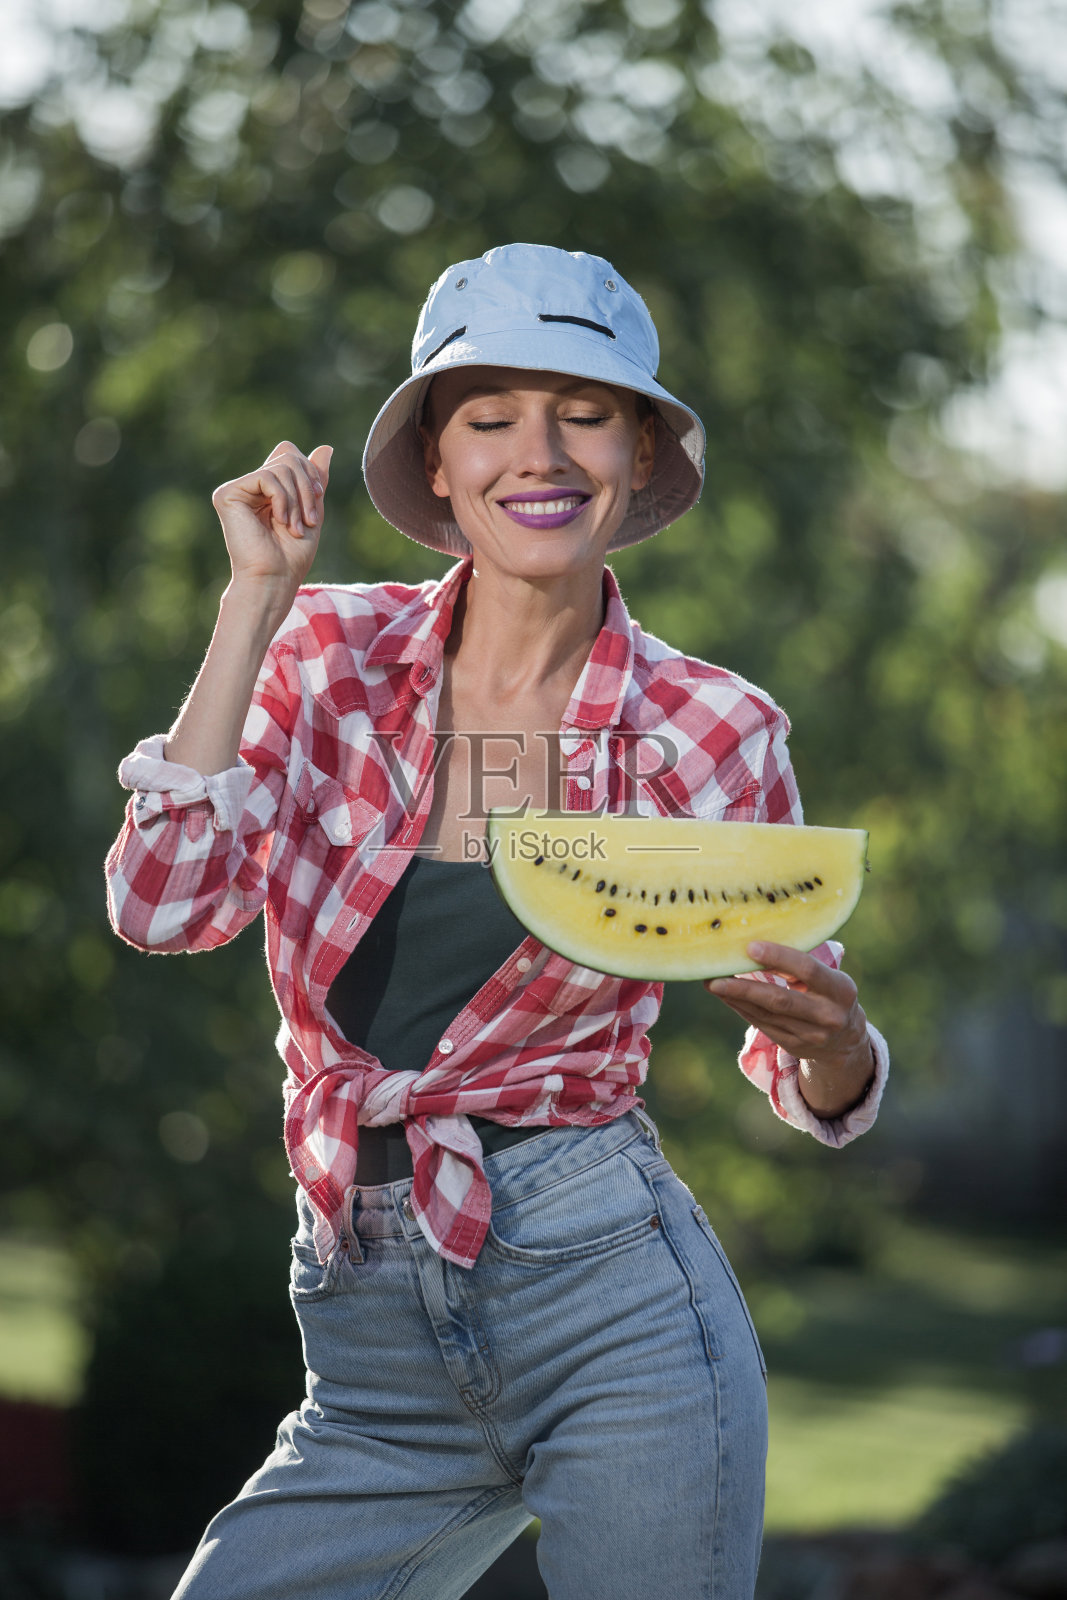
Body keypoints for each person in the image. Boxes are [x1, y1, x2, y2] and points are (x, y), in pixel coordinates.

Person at [105, 244, 888, 1600]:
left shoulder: (715, 729)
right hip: (369, 1337)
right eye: (492, 415)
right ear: (439, 462)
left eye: (586, 411)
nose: (544, 451)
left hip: (613, 1304)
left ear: (641, 452)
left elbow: (800, 1050)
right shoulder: (324, 660)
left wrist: (840, 1045)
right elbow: (165, 907)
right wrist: (252, 601)